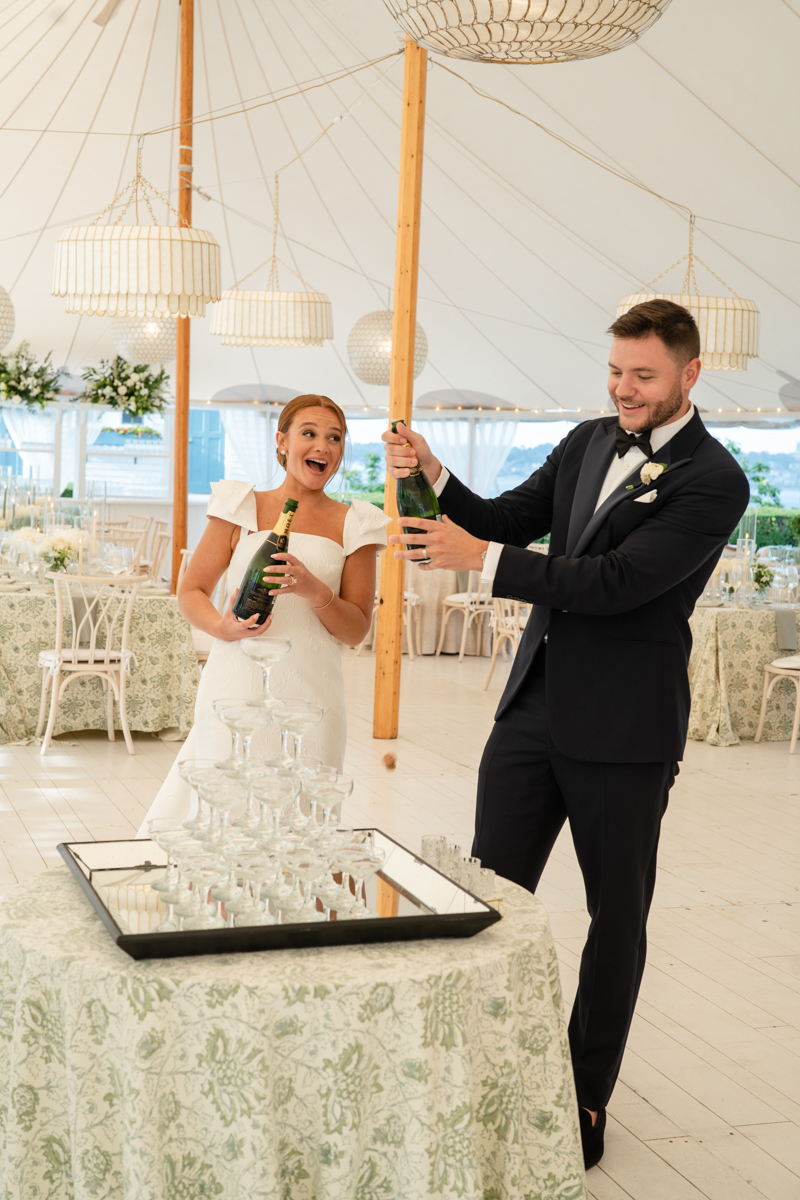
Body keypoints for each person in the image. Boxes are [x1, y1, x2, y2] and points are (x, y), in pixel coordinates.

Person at [382, 300, 749, 1168]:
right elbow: (508, 517)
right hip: (532, 710)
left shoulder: (716, 479)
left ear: (690, 375)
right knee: (486, 898)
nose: (623, 389)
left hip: (626, 730)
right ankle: (474, 1063)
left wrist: (480, 560)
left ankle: (583, 1096)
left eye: (644, 376)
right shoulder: (588, 439)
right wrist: (434, 475)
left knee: (614, 919)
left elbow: (619, 582)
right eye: (617, 371)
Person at [139, 393, 389, 833]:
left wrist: (314, 589)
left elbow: (356, 632)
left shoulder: (356, 524)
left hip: (313, 700)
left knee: (304, 824)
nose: (323, 447)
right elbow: (191, 590)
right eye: (309, 434)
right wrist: (222, 626)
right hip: (236, 686)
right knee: (224, 814)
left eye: (335, 438)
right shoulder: (241, 506)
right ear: (282, 442)